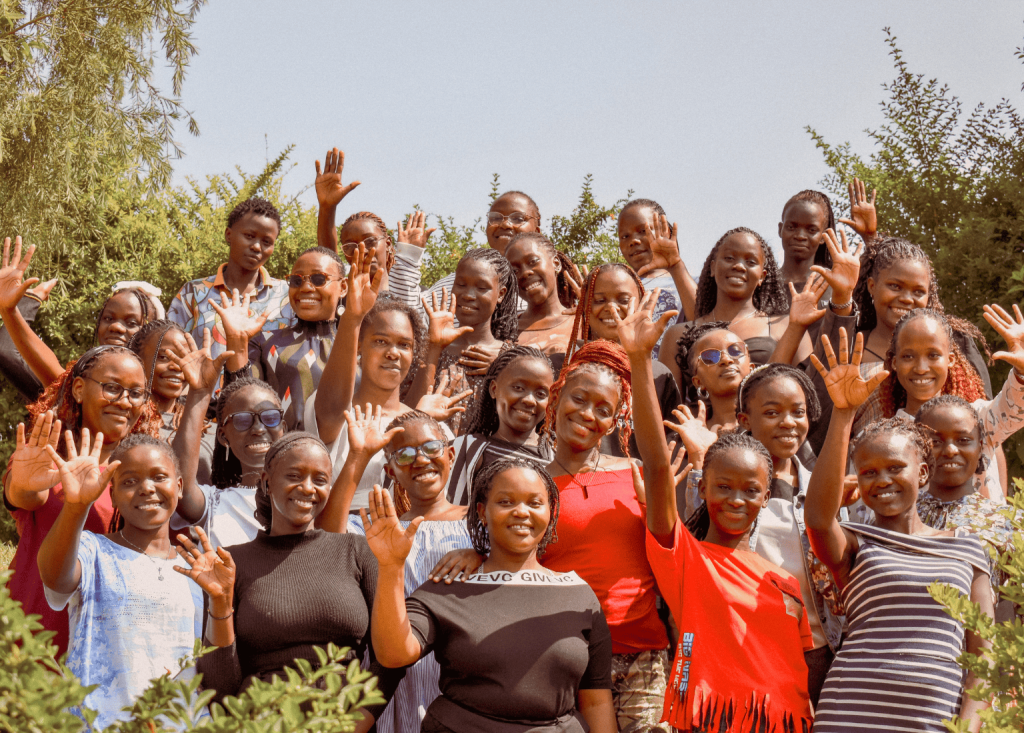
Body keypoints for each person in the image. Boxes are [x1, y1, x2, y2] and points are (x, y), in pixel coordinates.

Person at [617, 297, 814, 731]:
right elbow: (654, 463)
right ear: (701, 488)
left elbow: (803, 669)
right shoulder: (685, 558)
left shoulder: (786, 583)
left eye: (750, 490)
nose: (736, 500)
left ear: (767, 496)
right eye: (723, 487)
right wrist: (637, 358)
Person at [806, 329, 992, 732]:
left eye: (895, 468)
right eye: (868, 472)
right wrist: (842, 414)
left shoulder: (967, 551)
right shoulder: (857, 543)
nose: (882, 480)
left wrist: (969, 728)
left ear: (922, 473)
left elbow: (983, 658)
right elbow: (819, 520)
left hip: (932, 720)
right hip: (850, 713)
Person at [364, 458, 617, 733]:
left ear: (550, 512)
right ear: (482, 512)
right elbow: (393, 655)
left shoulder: (579, 596)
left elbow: (596, 703)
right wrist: (391, 566)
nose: (521, 512)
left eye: (534, 503)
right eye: (506, 502)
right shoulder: (449, 588)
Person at [188, 432, 399, 732]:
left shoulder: (356, 551)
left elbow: (391, 655)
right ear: (266, 481)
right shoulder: (231, 565)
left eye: (320, 479)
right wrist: (220, 603)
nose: (308, 488)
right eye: (295, 475)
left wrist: (359, 718)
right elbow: (220, 691)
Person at [541, 335, 673, 731]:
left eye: (604, 409)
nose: (587, 414)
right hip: (564, 655)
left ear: (617, 420)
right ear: (557, 396)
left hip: (641, 657)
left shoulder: (634, 476)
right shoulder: (530, 484)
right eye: (579, 399)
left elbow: (670, 543)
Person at [322, 408, 474, 733]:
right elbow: (328, 540)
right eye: (404, 454)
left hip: (458, 682)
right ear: (390, 470)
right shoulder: (379, 529)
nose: (420, 460)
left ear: (449, 454)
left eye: (431, 448)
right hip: (389, 685)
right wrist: (359, 456)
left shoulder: (476, 524)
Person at [37, 432, 203, 730]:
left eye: (159, 477)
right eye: (129, 481)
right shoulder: (93, 550)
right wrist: (76, 507)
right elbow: (55, 577)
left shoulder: (198, 567)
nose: (147, 488)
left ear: (178, 487)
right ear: (111, 494)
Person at [3, 345, 161, 656]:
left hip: (105, 653)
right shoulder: (47, 458)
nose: (124, 402)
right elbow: (25, 495)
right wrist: (22, 483)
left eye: (136, 393)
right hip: (30, 647)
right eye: (112, 388)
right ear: (78, 388)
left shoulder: (144, 476)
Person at [305, 244, 466, 513]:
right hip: (340, 545)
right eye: (380, 341)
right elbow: (333, 406)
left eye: (404, 345)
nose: (393, 353)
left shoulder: (432, 428)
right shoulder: (338, 414)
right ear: (359, 348)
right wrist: (353, 318)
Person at [0, 235, 160, 392]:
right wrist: (19, 305)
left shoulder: (166, 393)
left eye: (132, 323)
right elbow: (7, 352)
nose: (116, 327)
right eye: (108, 318)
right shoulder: (71, 393)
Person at [217, 246, 348, 431]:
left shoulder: (359, 346)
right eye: (296, 280)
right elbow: (239, 405)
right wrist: (237, 342)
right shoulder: (265, 342)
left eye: (319, 279)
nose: (305, 288)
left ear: (343, 287)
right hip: (281, 456)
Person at [659, 226, 812, 374]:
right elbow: (663, 399)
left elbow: (807, 392)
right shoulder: (677, 336)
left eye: (751, 262)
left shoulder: (788, 327)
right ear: (713, 268)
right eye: (729, 258)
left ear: (762, 276)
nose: (739, 266)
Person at [565, 267, 681, 457]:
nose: (611, 307)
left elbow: (668, 447)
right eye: (599, 300)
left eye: (624, 300)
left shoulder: (657, 374)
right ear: (584, 305)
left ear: (642, 304)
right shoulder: (563, 365)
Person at [406, 248, 519, 430]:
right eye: (461, 284)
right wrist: (434, 348)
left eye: (482, 288)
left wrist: (504, 370)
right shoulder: (427, 348)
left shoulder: (512, 358)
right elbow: (408, 415)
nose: (468, 295)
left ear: (501, 294)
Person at [168, 197, 292, 361]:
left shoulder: (287, 295)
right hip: (205, 387)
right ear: (229, 235)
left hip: (266, 388)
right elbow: (170, 349)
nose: (256, 246)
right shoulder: (194, 292)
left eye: (266, 241)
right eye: (249, 235)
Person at [313, 146, 427, 307]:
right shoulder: (342, 297)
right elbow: (328, 261)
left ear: (387, 244)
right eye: (351, 246)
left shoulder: (411, 295)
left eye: (370, 241)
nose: (362, 250)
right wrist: (327, 209)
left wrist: (409, 255)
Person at [444, 345, 556, 507]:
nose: (529, 400)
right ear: (494, 389)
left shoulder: (553, 456)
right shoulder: (467, 450)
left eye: (541, 394)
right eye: (518, 388)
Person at [127, 319, 216, 484]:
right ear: (137, 359)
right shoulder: (124, 423)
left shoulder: (209, 430)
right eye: (164, 357)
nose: (177, 366)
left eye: (183, 358)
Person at [426, 190, 543, 301]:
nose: (505, 224)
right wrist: (411, 253)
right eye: (496, 218)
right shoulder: (451, 286)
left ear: (536, 232)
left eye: (517, 218)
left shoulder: (545, 283)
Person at [615, 199, 697, 356]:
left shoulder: (690, 282)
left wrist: (675, 266)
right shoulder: (619, 287)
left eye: (643, 231)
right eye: (625, 236)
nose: (634, 241)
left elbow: (704, 321)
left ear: (665, 230)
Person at [667, 322, 752, 431]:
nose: (726, 360)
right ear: (698, 382)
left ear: (752, 368)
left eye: (735, 351)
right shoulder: (689, 436)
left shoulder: (771, 422)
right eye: (710, 357)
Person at [505, 232, 579, 356]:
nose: (525, 273)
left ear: (556, 263)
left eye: (533, 261)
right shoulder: (503, 331)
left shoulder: (583, 323)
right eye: (515, 270)